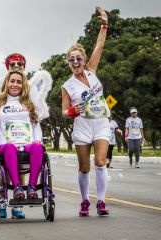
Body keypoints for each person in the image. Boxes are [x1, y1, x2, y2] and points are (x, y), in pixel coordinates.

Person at [61, 6, 110, 216]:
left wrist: (104, 23)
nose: (75, 62)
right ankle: (84, 201)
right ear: (68, 63)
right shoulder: (67, 85)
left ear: (83, 60)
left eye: (78, 58)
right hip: (81, 126)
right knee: (84, 168)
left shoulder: (91, 71)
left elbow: (99, 45)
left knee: (100, 162)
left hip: (100, 123)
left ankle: (100, 202)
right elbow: (64, 111)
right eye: (71, 59)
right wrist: (71, 111)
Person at [0, 70, 44, 214]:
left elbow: (36, 126)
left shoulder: (28, 104)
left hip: (26, 143)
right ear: (6, 83)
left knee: (38, 147)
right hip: (6, 145)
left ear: (23, 85)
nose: (15, 84)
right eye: (12, 81)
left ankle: (32, 187)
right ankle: (17, 188)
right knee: (9, 147)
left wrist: (37, 140)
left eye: (19, 82)